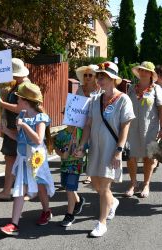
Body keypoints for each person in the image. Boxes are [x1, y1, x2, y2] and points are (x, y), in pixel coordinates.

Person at [75, 61, 135, 237]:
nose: (100, 79)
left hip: (111, 149)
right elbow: (88, 125)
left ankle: (101, 223)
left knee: (104, 186)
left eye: (104, 76)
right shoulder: (95, 99)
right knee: (96, 184)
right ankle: (113, 202)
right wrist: (82, 145)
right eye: (99, 75)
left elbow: (125, 126)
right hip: (95, 148)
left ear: (114, 79)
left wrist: (118, 150)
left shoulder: (123, 99)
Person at [0, 82, 55, 236]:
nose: (16, 102)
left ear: (26, 101)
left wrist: (24, 126)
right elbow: (20, 138)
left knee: (41, 187)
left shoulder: (40, 117)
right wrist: (6, 131)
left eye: (19, 99)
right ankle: (14, 223)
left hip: (36, 158)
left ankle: (46, 211)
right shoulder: (22, 115)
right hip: (23, 157)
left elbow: (38, 139)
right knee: (20, 188)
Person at [0, 58, 30, 200]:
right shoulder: (19, 85)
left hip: (20, 128)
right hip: (14, 127)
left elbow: (21, 108)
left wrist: (2, 103)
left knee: (21, 159)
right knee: (11, 158)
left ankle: (23, 191)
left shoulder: (25, 86)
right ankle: (8, 191)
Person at [125, 62, 162, 198]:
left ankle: (146, 184)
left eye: (146, 71)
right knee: (131, 157)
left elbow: (161, 110)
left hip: (151, 129)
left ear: (151, 74)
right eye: (141, 70)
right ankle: (133, 183)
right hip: (132, 128)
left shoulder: (156, 89)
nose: (143, 73)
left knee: (149, 157)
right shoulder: (131, 88)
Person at [54, 125, 86, 227]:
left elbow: (88, 148)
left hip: (75, 167)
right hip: (64, 166)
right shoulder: (62, 133)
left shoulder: (82, 133)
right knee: (66, 186)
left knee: (69, 189)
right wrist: (60, 153)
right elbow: (56, 146)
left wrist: (83, 153)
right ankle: (78, 200)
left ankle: (69, 215)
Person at [75, 64, 100, 185]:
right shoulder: (80, 89)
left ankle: (89, 174)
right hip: (80, 122)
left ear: (96, 77)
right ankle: (76, 170)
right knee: (80, 146)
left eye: (90, 75)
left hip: (94, 122)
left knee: (91, 147)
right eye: (86, 75)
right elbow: (74, 103)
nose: (88, 77)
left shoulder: (100, 90)